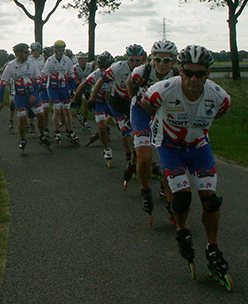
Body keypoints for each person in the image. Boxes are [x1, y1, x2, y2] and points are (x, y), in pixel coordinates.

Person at [141, 45, 232, 285]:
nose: (193, 79)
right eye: (188, 73)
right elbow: (146, 103)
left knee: (210, 200)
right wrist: (156, 122)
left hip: (199, 147)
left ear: (208, 74)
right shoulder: (163, 91)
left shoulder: (219, 97)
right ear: (179, 71)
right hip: (170, 147)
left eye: (199, 74)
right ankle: (182, 231)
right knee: (181, 198)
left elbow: (221, 112)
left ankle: (213, 248)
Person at [127, 40, 178, 220]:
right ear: (152, 59)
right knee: (145, 157)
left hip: (164, 114)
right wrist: (134, 99)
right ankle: (145, 190)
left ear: (173, 61)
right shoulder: (141, 72)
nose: (162, 64)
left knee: (169, 161)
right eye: (158, 60)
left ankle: (172, 200)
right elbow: (130, 85)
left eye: (167, 60)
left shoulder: (178, 75)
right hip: (141, 112)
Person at [90, 44, 146, 172]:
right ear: (127, 58)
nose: (135, 64)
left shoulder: (145, 69)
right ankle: (129, 157)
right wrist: (92, 100)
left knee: (137, 131)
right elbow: (100, 82)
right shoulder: (118, 67)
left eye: (138, 60)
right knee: (126, 130)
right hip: (117, 103)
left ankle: (136, 156)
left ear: (142, 59)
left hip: (133, 102)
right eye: (132, 60)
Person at [0, 43, 49, 154]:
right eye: (25, 52)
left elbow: (38, 79)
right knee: (22, 118)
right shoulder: (10, 66)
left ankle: (41, 135)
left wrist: (35, 94)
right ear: (18, 53)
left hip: (32, 94)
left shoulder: (32, 63)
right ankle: (22, 139)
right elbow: (2, 83)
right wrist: (0, 100)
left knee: (41, 115)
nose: (28, 54)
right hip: (19, 96)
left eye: (28, 52)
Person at [72, 51, 114, 159]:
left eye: (108, 67)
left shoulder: (116, 72)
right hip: (99, 103)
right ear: (99, 67)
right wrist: (75, 100)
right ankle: (107, 149)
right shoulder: (95, 75)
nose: (105, 70)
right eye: (102, 67)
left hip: (112, 102)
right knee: (101, 125)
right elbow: (82, 86)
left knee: (123, 126)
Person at [43, 40, 78, 146]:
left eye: (63, 50)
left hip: (63, 88)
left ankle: (70, 130)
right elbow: (44, 74)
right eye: (59, 50)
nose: (61, 52)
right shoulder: (50, 60)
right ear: (55, 50)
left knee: (67, 110)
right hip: (53, 88)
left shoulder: (67, 60)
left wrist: (73, 90)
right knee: (57, 110)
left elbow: (71, 75)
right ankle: (57, 131)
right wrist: (41, 87)